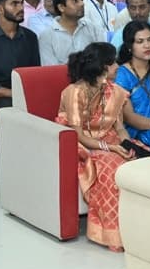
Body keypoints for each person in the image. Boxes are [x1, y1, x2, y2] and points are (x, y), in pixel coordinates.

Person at [57, 42, 133, 251]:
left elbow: (120, 129)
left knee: (140, 161)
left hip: (109, 140)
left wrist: (126, 144)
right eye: (113, 62)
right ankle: (113, 235)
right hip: (79, 145)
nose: (118, 66)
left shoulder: (115, 91)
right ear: (102, 67)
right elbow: (79, 135)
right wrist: (110, 149)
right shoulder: (74, 92)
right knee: (111, 167)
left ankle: (137, 229)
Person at [115, 21, 150, 157]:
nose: (147, 46)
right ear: (130, 46)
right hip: (138, 130)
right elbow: (128, 117)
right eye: (140, 42)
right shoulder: (122, 74)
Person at [39, 0, 105, 66]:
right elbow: (50, 70)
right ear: (61, 7)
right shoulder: (47, 36)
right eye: (75, 0)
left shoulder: (93, 28)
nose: (82, 4)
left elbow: (103, 59)